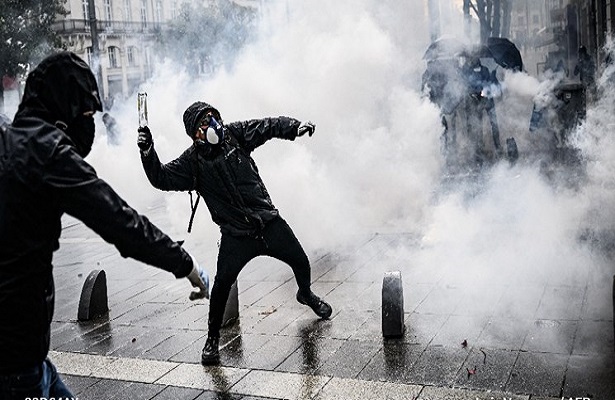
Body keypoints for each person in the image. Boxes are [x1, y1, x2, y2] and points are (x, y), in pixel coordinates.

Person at [0, 51, 210, 399]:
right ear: (64, 110)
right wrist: (185, 263)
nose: (90, 123)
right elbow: (119, 221)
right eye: (85, 113)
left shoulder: (11, 141)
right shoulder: (47, 151)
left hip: (29, 356)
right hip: (16, 363)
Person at [137, 101, 333, 365]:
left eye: (212, 117)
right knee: (220, 288)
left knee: (300, 261)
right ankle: (212, 340)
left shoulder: (234, 134)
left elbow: (267, 126)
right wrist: (148, 151)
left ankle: (306, 294)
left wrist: (294, 127)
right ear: (195, 134)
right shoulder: (192, 163)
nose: (212, 126)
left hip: (267, 222)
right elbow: (160, 177)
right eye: (204, 123)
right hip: (236, 236)